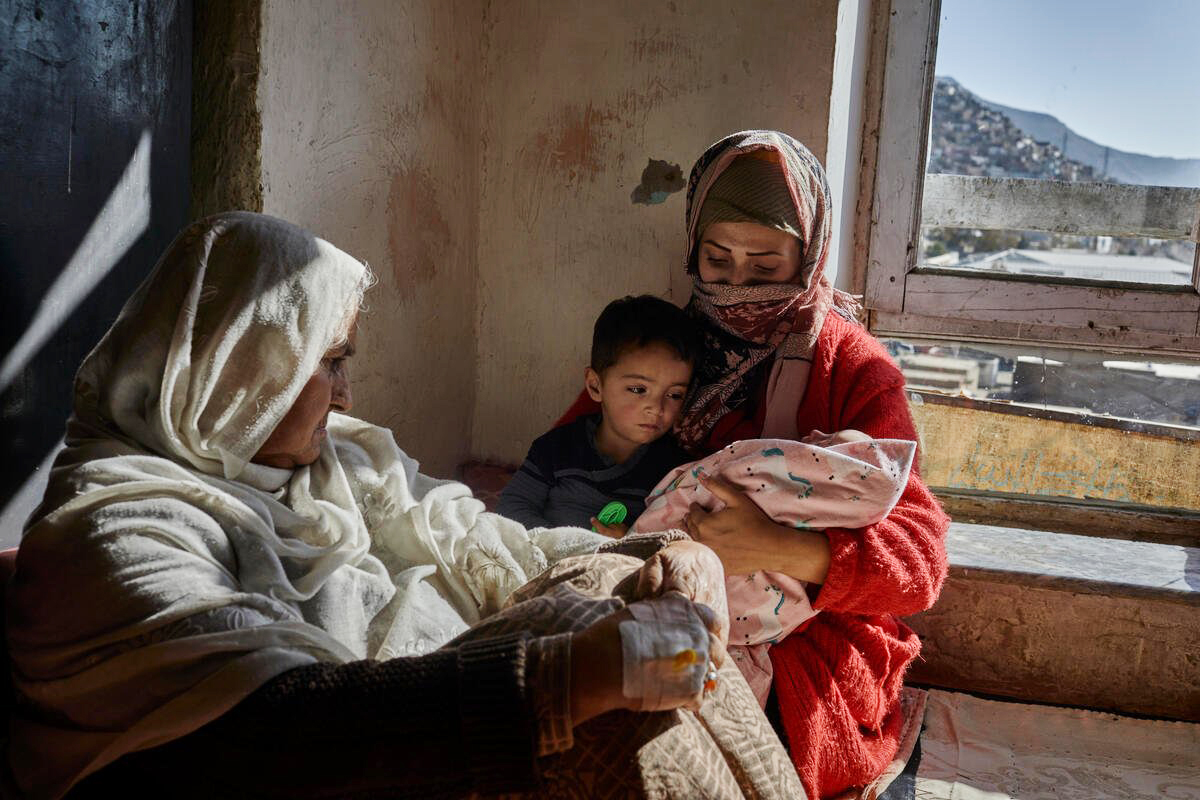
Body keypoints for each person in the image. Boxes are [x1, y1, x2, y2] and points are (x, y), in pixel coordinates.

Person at [4, 212, 803, 799]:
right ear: (240, 370)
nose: (348, 391)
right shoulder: (114, 531)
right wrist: (561, 681)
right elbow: (268, 730)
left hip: (410, 717)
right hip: (320, 766)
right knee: (608, 699)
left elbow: (478, 538)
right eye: (330, 361)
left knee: (627, 601)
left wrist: (663, 561)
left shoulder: (336, 460)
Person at [557, 131, 951, 799]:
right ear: (692, 249)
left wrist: (782, 549)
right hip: (658, 588)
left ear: (810, 253)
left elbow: (919, 563)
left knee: (691, 731)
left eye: (765, 267)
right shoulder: (663, 346)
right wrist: (608, 529)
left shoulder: (853, 366)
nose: (737, 286)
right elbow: (575, 458)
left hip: (806, 636)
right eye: (717, 260)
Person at [630, 430, 916, 706]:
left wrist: (775, 547)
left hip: (806, 665)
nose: (814, 434)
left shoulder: (864, 411)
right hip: (674, 582)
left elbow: (913, 571)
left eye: (828, 440)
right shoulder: (668, 399)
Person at [497, 294, 698, 536]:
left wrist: (627, 544)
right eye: (638, 389)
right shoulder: (557, 448)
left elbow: (676, 542)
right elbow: (512, 506)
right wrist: (555, 546)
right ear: (595, 386)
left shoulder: (675, 473)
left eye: (674, 394)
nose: (656, 407)